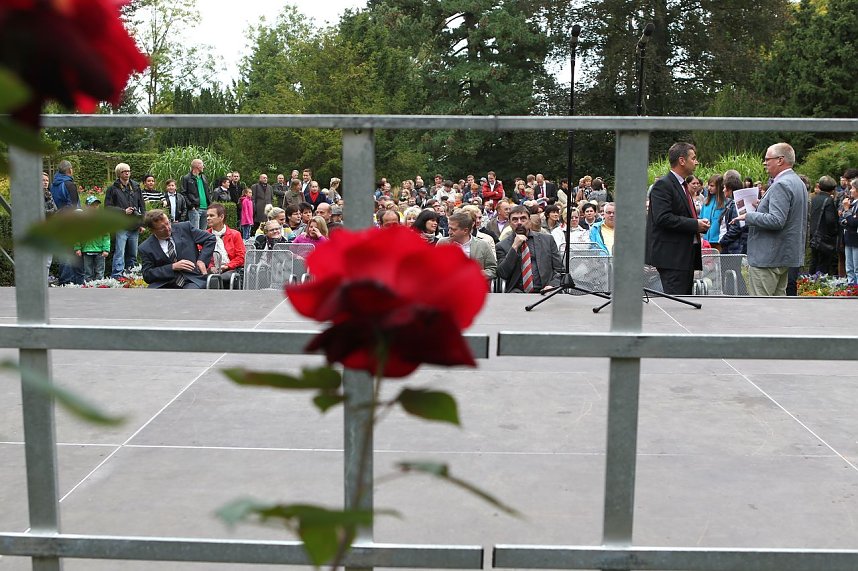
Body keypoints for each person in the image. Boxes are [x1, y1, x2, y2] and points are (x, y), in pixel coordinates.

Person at [731, 143, 807, 296]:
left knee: (762, 309)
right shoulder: (797, 182)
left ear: (780, 160)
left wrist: (749, 216)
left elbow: (776, 220)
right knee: (777, 308)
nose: (765, 163)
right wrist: (762, 205)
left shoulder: (781, 184)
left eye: (767, 159)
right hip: (782, 256)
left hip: (768, 258)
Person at [645, 142, 709, 295]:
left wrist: (698, 224)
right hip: (672, 258)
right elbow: (663, 218)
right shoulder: (664, 185)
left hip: (684, 256)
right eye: (693, 158)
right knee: (676, 304)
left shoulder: (681, 185)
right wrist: (695, 224)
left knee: (684, 301)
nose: (696, 162)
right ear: (682, 160)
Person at [139, 209, 216, 289]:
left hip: (192, 279)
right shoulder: (145, 247)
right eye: (162, 228)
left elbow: (210, 239)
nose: (168, 228)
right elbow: (147, 275)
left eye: (168, 223)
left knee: (188, 294)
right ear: (152, 230)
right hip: (165, 283)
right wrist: (172, 267)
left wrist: (202, 260)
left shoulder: (185, 228)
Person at [496, 205, 563, 293]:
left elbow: (560, 270)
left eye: (523, 219)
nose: (519, 223)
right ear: (509, 223)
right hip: (517, 292)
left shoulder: (547, 240)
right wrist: (514, 247)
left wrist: (552, 285)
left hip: (545, 290)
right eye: (515, 219)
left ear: (529, 221)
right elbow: (502, 274)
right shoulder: (502, 246)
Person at [104, 162, 146, 278]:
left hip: (135, 225)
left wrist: (142, 223)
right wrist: (123, 211)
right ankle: (117, 276)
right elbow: (107, 207)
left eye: (128, 171)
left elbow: (142, 207)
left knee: (133, 254)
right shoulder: (112, 189)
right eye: (124, 171)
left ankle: (131, 275)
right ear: (119, 174)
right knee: (120, 253)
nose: (127, 173)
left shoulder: (136, 187)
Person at [437, 212, 497, 280]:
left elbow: (492, 270)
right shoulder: (442, 243)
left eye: (453, 229)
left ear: (465, 231)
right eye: (449, 228)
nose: (449, 232)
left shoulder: (483, 245)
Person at [206, 202, 245, 287]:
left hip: (230, 269)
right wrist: (211, 267)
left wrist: (226, 266)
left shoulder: (235, 234)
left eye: (212, 216)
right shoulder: (205, 235)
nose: (208, 218)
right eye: (207, 216)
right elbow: (201, 256)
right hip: (211, 269)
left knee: (216, 279)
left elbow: (240, 257)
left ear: (221, 217)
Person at [808, 175, 839, 275]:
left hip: (813, 234)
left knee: (814, 261)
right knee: (823, 264)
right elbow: (830, 220)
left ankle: (809, 284)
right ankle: (819, 286)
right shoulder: (828, 200)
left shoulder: (814, 198)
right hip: (824, 237)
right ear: (833, 189)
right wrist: (835, 231)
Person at [74, 196, 110, 281]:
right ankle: (88, 289)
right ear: (87, 206)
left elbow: (106, 235)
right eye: (92, 205)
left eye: (96, 205)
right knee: (88, 272)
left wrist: (106, 249)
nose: (95, 207)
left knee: (100, 272)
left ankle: (99, 288)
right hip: (87, 249)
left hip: (100, 250)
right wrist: (77, 248)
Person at [180, 158, 211, 230]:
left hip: (205, 208)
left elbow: (208, 191)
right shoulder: (187, 178)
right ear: (197, 166)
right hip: (195, 209)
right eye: (202, 165)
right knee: (195, 232)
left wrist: (210, 203)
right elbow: (183, 193)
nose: (203, 167)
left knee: (203, 232)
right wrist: (191, 206)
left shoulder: (204, 177)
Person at [699, 174, 727, 251]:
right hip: (705, 241)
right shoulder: (706, 202)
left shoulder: (725, 203)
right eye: (708, 185)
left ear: (719, 187)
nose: (709, 188)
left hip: (718, 241)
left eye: (712, 186)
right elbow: (701, 218)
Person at [840, 179, 858, 284]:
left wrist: (847, 211)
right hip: (848, 238)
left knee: (856, 268)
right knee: (849, 268)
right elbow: (841, 219)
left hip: (856, 240)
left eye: (853, 188)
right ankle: (851, 288)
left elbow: (854, 222)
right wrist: (846, 217)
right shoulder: (851, 203)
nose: (851, 190)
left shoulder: (850, 206)